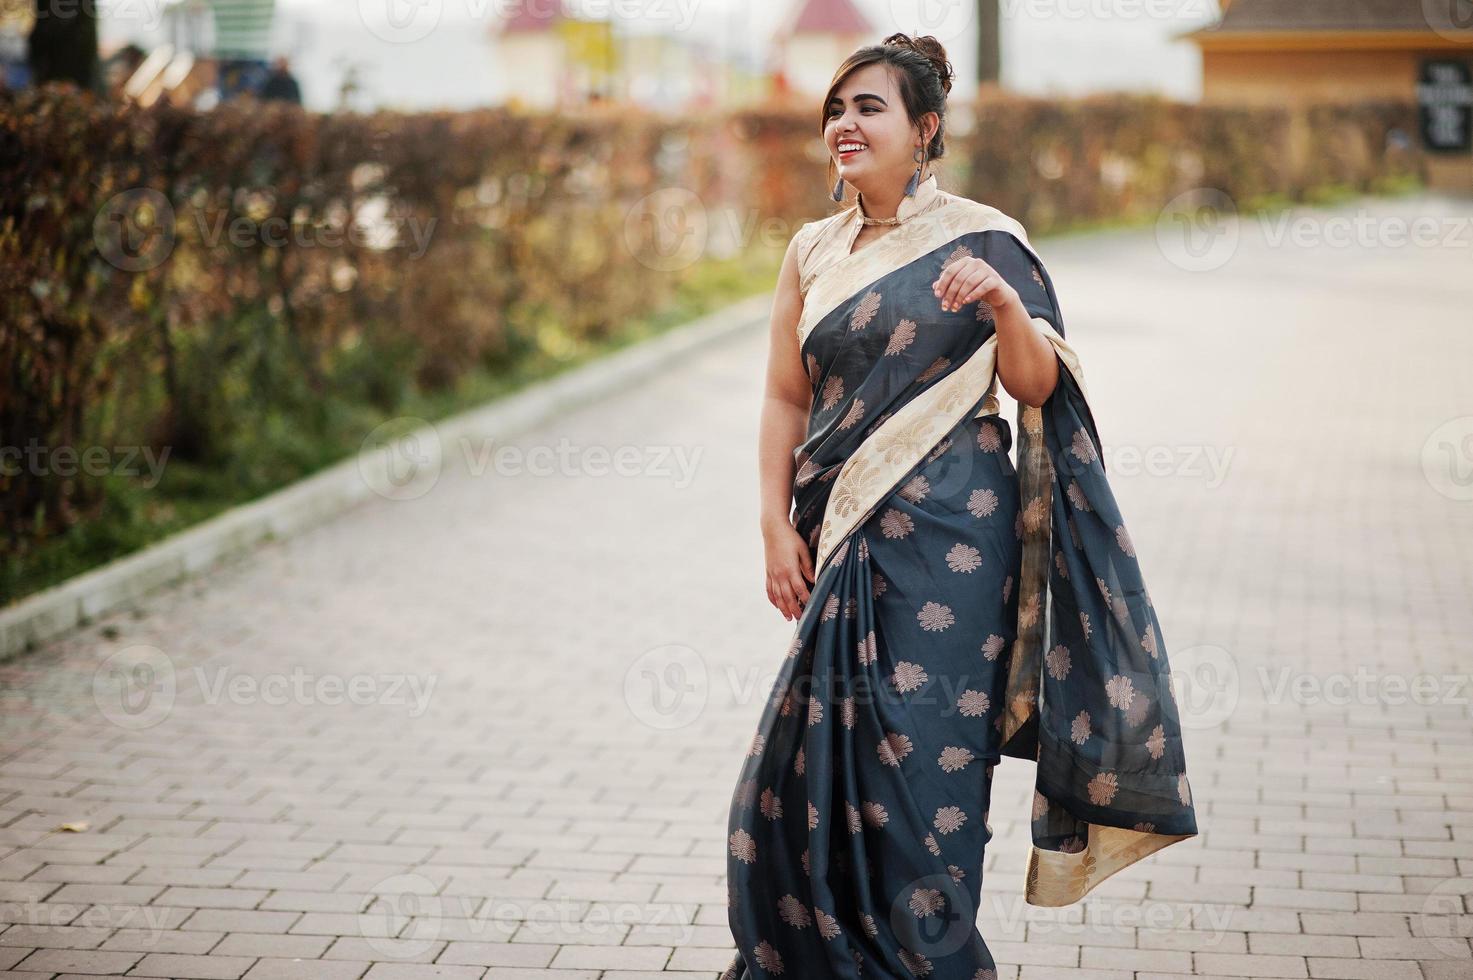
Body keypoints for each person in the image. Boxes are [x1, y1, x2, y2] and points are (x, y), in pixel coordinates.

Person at [722, 32, 1199, 979]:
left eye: (870, 107)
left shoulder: (986, 240)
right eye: (836, 108)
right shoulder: (812, 250)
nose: (845, 124)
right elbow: (785, 396)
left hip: (954, 545)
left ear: (923, 128)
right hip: (843, 536)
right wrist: (775, 522)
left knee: (927, 764)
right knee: (805, 760)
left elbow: (1035, 388)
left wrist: (1004, 310)